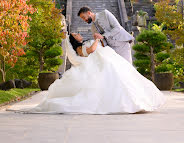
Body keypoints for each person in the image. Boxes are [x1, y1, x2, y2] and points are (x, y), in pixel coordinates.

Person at [9, 32, 166, 114]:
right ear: (74, 40)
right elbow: (91, 50)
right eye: (76, 35)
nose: (78, 34)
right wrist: (96, 40)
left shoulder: (83, 44)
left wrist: (97, 41)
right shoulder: (80, 47)